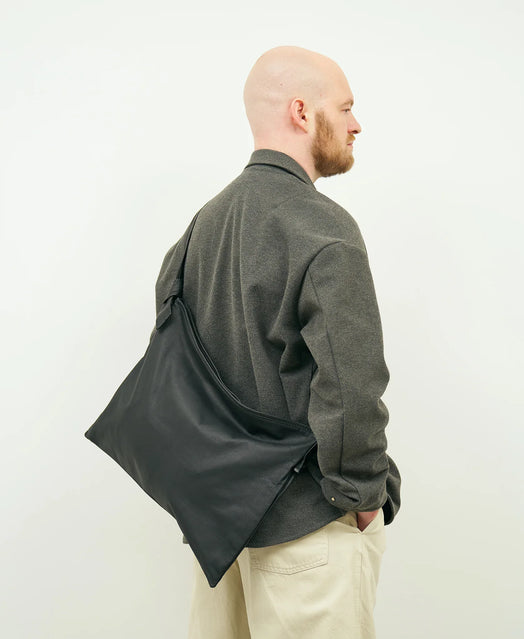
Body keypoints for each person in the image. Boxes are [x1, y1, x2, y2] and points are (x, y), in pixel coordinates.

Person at [153, 45, 401, 638]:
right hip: (308, 529)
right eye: (345, 107)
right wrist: (362, 491)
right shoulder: (321, 226)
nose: (356, 124)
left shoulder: (200, 228)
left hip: (220, 536)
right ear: (301, 111)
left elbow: (173, 372)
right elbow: (352, 381)